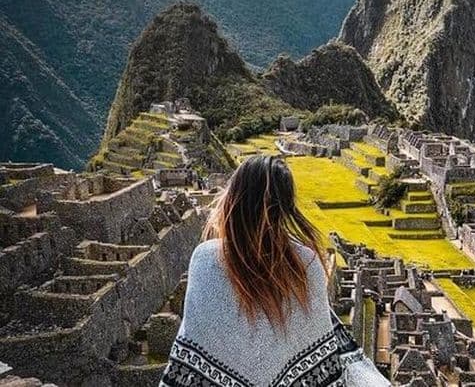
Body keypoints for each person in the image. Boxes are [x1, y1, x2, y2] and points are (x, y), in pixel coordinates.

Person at [160, 155, 388, 386]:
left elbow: (189, 363)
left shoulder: (205, 259)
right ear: (287, 208)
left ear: (232, 199)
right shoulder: (307, 263)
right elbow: (323, 352)